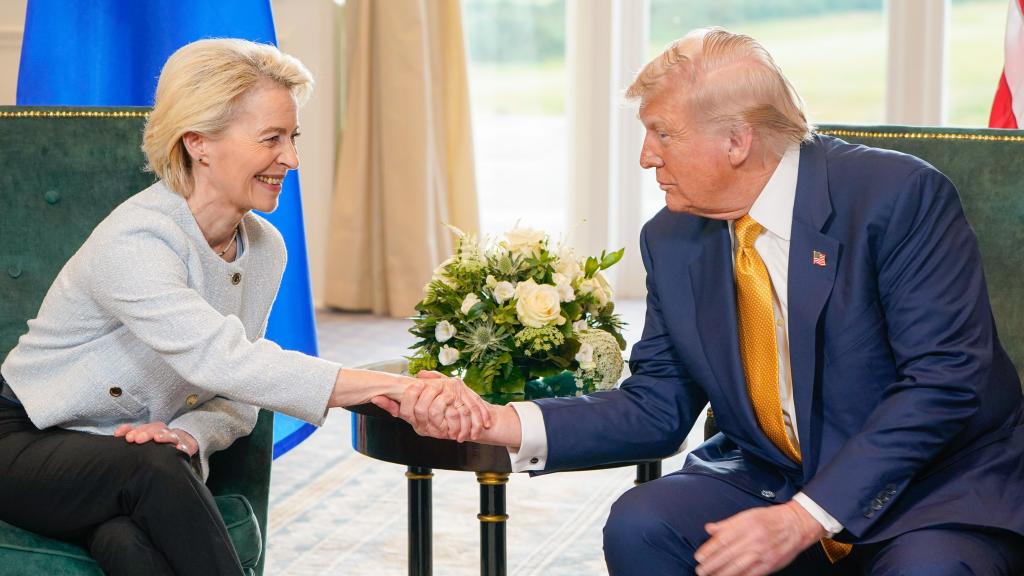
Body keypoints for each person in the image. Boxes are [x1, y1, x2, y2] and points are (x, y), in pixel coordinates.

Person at [383, 28, 1024, 575]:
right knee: (644, 522)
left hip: (930, 487)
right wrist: (499, 421)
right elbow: (658, 403)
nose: (644, 157)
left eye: (662, 134)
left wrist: (804, 519)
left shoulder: (896, 197)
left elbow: (943, 383)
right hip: (774, 474)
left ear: (737, 141)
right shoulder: (673, 237)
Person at [0, 38, 488, 576]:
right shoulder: (137, 241)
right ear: (199, 142)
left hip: (128, 455)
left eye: (293, 138)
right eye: (271, 139)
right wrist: (392, 386)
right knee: (155, 472)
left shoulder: (263, 247)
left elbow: (238, 394)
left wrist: (191, 434)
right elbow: (226, 360)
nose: (292, 159)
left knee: (128, 543)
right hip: (24, 443)